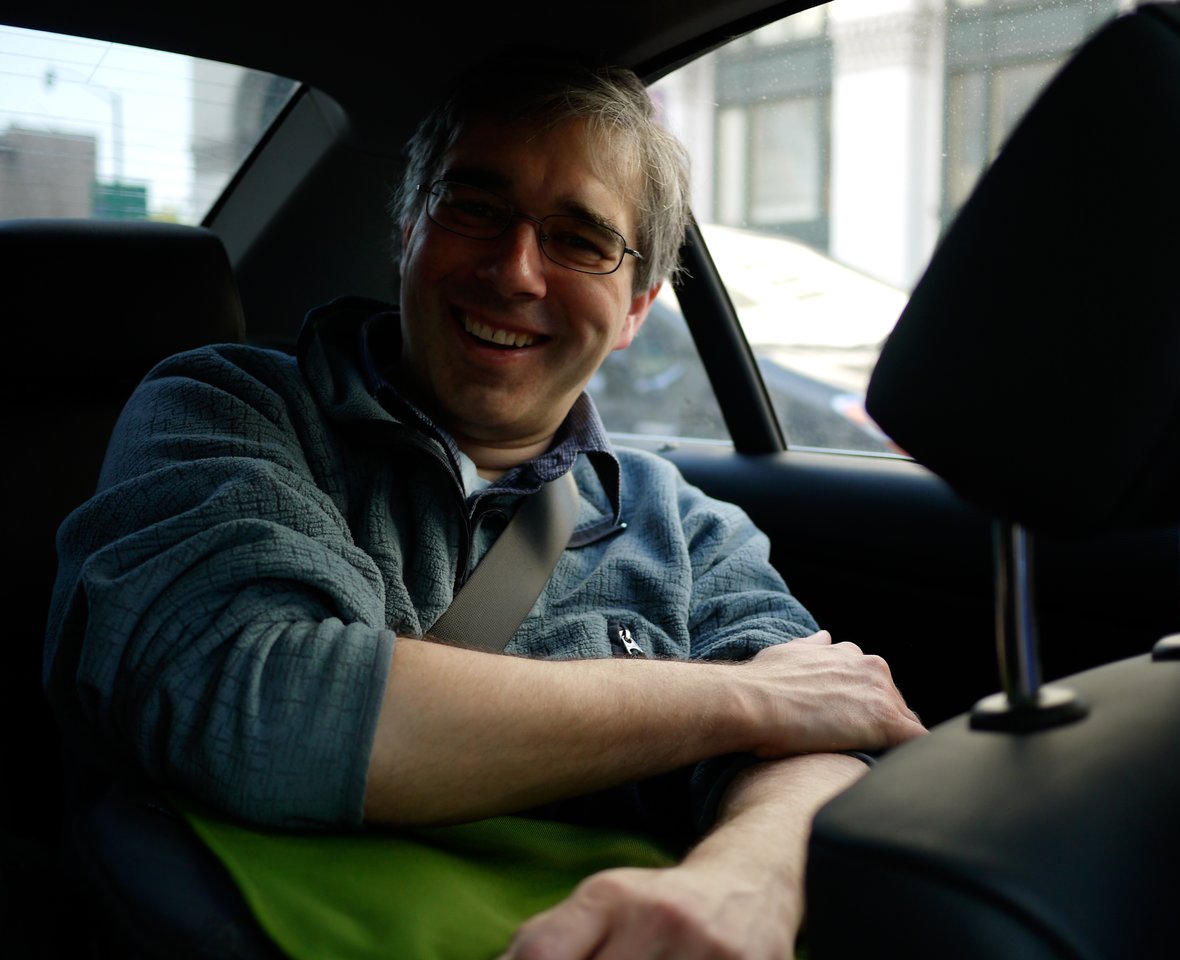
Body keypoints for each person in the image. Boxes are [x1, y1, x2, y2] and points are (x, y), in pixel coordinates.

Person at [45, 56, 925, 958]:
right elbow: (260, 704)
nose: (515, 271)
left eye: (580, 239)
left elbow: (819, 739)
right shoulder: (227, 409)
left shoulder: (690, 527)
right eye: (473, 207)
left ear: (636, 309)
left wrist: (744, 882)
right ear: (408, 231)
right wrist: (738, 697)